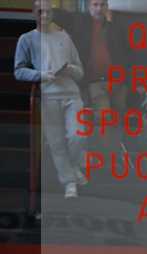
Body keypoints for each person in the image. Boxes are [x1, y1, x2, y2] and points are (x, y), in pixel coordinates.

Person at [14, 0, 85, 199]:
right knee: (56, 143)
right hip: (48, 96)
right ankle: (69, 182)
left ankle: (74, 167)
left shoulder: (65, 36)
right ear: (34, 13)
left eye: (47, 12)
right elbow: (18, 71)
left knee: (78, 136)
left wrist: (71, 69)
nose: (44, 16)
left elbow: (80, 72)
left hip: (71, 94)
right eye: (40, 12)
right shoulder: (26, 39)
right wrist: (41, 75)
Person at [53, 0, 129, 152]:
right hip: (95, 82)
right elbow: (60, 16)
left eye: (102, 5)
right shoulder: (80, 22)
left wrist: (127, 79)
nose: (99, 8)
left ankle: (116, 151)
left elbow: (126, 53)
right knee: (104, 118)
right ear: (89, 7)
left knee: (119, 119)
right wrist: (47, 8)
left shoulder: (114, 28)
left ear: (107, 7)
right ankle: (105, 155)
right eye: (95, 5)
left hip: (117, 82)